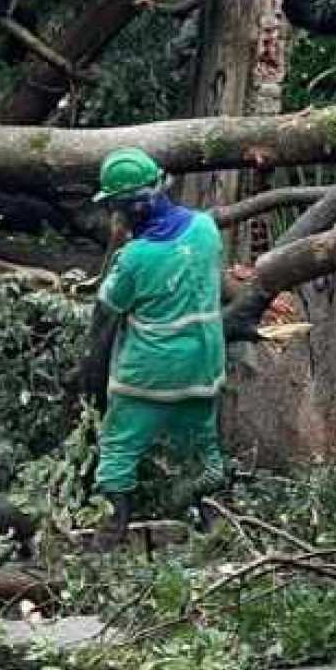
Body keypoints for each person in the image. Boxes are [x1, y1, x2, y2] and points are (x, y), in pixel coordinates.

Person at [88, 147, 229, 545]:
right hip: (203, 368)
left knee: (118, 450)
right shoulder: (205, 229)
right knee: (201, 450)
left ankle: (109, 539)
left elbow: (106, 309)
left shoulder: (135, 258)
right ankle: (215, 528)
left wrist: (116, 249)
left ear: (121, 209)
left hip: (147, 375)